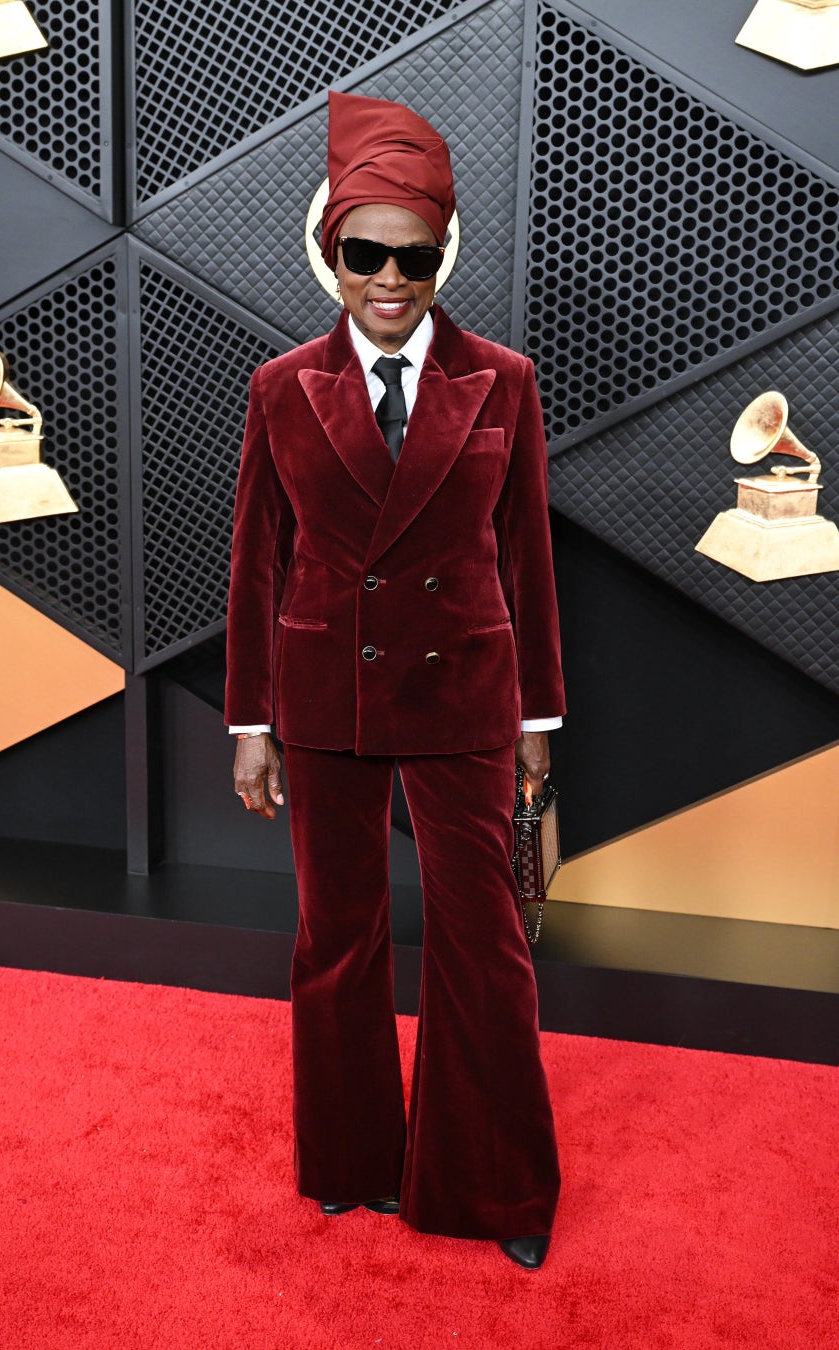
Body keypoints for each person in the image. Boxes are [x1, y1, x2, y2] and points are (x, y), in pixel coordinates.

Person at [225, 91, 565, 1270]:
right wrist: (251, 722)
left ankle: (494, 1184)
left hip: (467, 690)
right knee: (338, 934)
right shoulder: (281, 388)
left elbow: (526, 555)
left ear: (442, 257)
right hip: (324, 692)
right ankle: (352, 1157)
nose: (388, 279)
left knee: (485, 942)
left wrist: (538, 718)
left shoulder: (504, 381)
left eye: (413, 257)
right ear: (332, 255)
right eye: (365, 253)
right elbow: (257, 565)